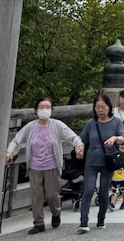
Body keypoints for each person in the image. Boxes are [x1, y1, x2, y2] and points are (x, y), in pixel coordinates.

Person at [5, 98, 81, 233]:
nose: (45, 110)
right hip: (34, 166)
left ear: (51, 110)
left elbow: (72, 137)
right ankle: (38, 222)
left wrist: (78, 146)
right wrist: (10, 152)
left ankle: (56, 212)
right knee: (36, 196)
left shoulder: (57, 125)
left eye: (48, 107)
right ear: (36, 110)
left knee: (52, 195)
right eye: (42, 107)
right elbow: (17, 140)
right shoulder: (30, 127)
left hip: (52, 166)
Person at [75, 94, 124, 233]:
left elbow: (122, 139)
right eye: (97, 107)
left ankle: (101, 218)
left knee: (103, 192)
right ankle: (83, 222)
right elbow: (81, 139)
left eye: (103, 107)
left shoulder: (116, 122)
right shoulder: (91, 124)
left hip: (108, 162)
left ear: (109, 107)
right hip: (91, 161)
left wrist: (114, 138)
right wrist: (79, 148)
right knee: (88, 190)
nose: (100, 110)